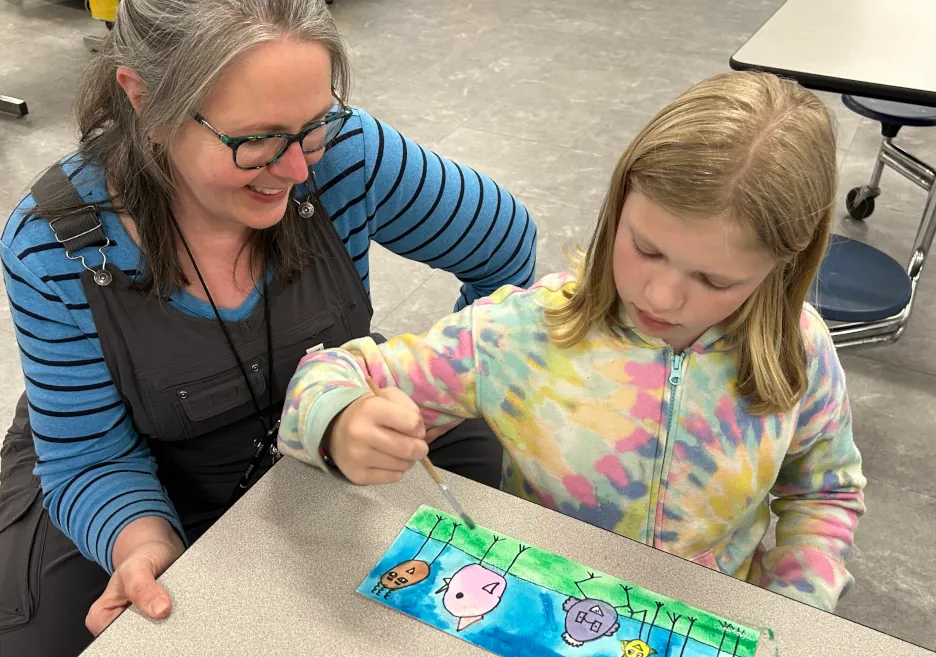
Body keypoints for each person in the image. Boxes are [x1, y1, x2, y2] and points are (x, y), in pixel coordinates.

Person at [0, 0, 537, 657]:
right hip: (129, 453)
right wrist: (141, 546)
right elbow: (90, 453)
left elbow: (505, 248)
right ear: (143, 98)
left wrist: (417, 389)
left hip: (313, 428)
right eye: (255, 140)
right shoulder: (54, 242)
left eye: (312, 126)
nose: (298, 167)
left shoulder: (347, 155)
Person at [280, 71, 867, 614]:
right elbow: (325, 377)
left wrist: (797, 602)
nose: (661, 297)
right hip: (536, 614)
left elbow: (825, 493)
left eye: (715, 280)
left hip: (700, 635)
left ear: (782, 267)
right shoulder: (524, 331)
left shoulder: (802, 352)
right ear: (618, 206)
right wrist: (340, 419)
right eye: (646, 248)